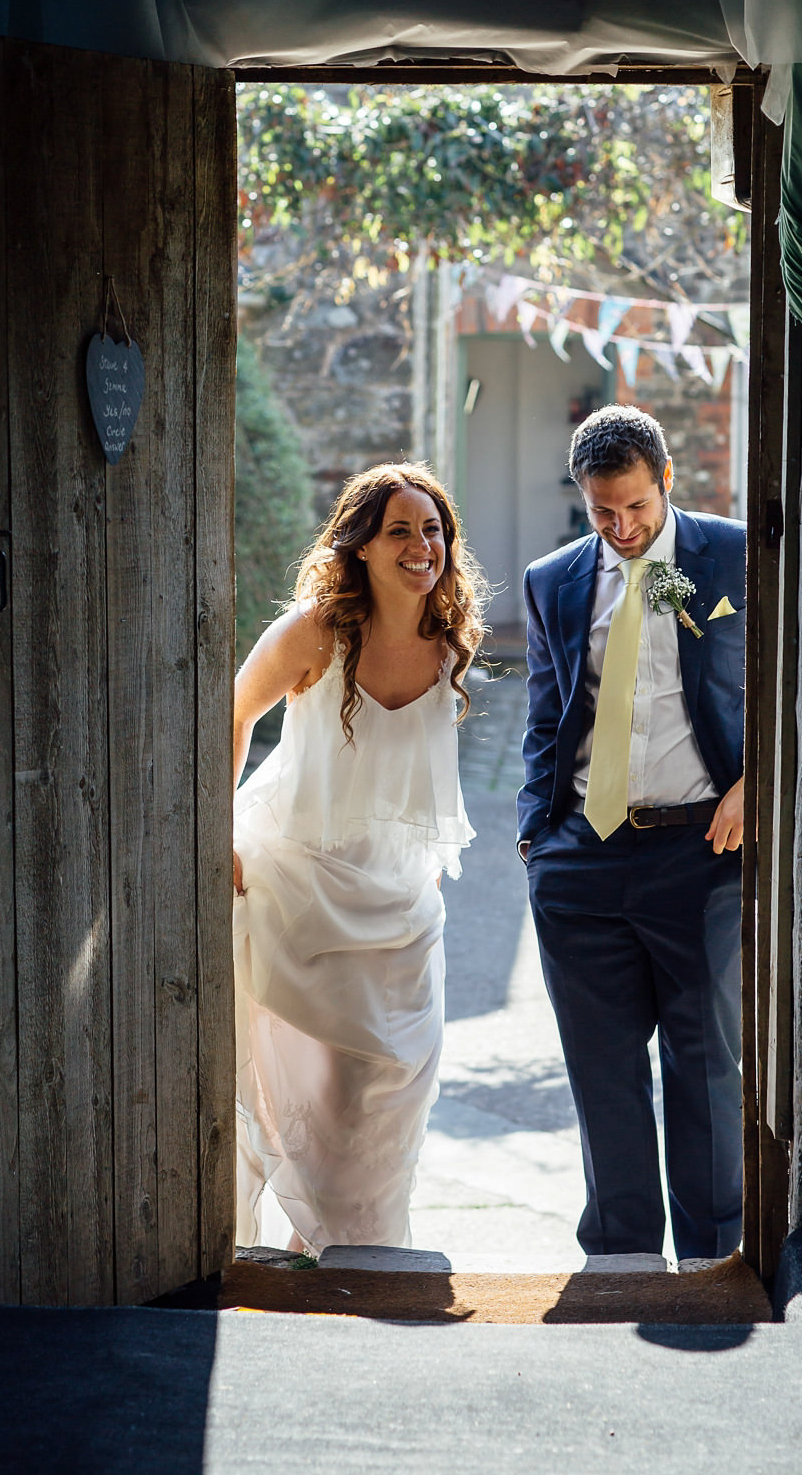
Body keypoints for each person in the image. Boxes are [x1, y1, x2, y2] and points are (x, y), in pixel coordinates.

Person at [231, 462, 484, 1254]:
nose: (423, 545)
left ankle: (361, 1251)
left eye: (433, 529)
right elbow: (230, 716)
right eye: (401, 530)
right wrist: (213, 835)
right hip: (297, 885)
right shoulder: (314, 631)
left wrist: (425, 853)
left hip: (404, 901)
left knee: (393, 1093)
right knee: (306, 1086)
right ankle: (296, 1251)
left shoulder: (450, 638)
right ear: (363, 546)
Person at [519, 404, 745, 1269]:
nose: (621, 529)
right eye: (601, 513)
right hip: (580, 859)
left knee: (704, 1067)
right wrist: (536, 838)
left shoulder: (728, 556)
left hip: (700, 853)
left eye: (636, 510)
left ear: (666, 482)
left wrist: (753, 784)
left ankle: (716, 1260)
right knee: (603, 1075)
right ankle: (618, 1261)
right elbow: (548, 717)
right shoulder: (555, 579)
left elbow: (786, 674)